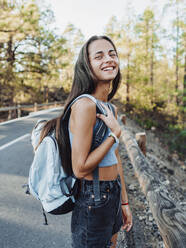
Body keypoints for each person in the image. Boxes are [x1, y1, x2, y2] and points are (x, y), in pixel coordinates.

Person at [40, 35, 132, 247]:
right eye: (99, 56)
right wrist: (113, 136)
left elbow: (116, 160)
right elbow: (80, 168)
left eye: (112, 54)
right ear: (87, 66)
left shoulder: (111, 108)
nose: (108, 59)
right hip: (94, 198)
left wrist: (124, 203)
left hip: (113, 193)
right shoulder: (84, 105)